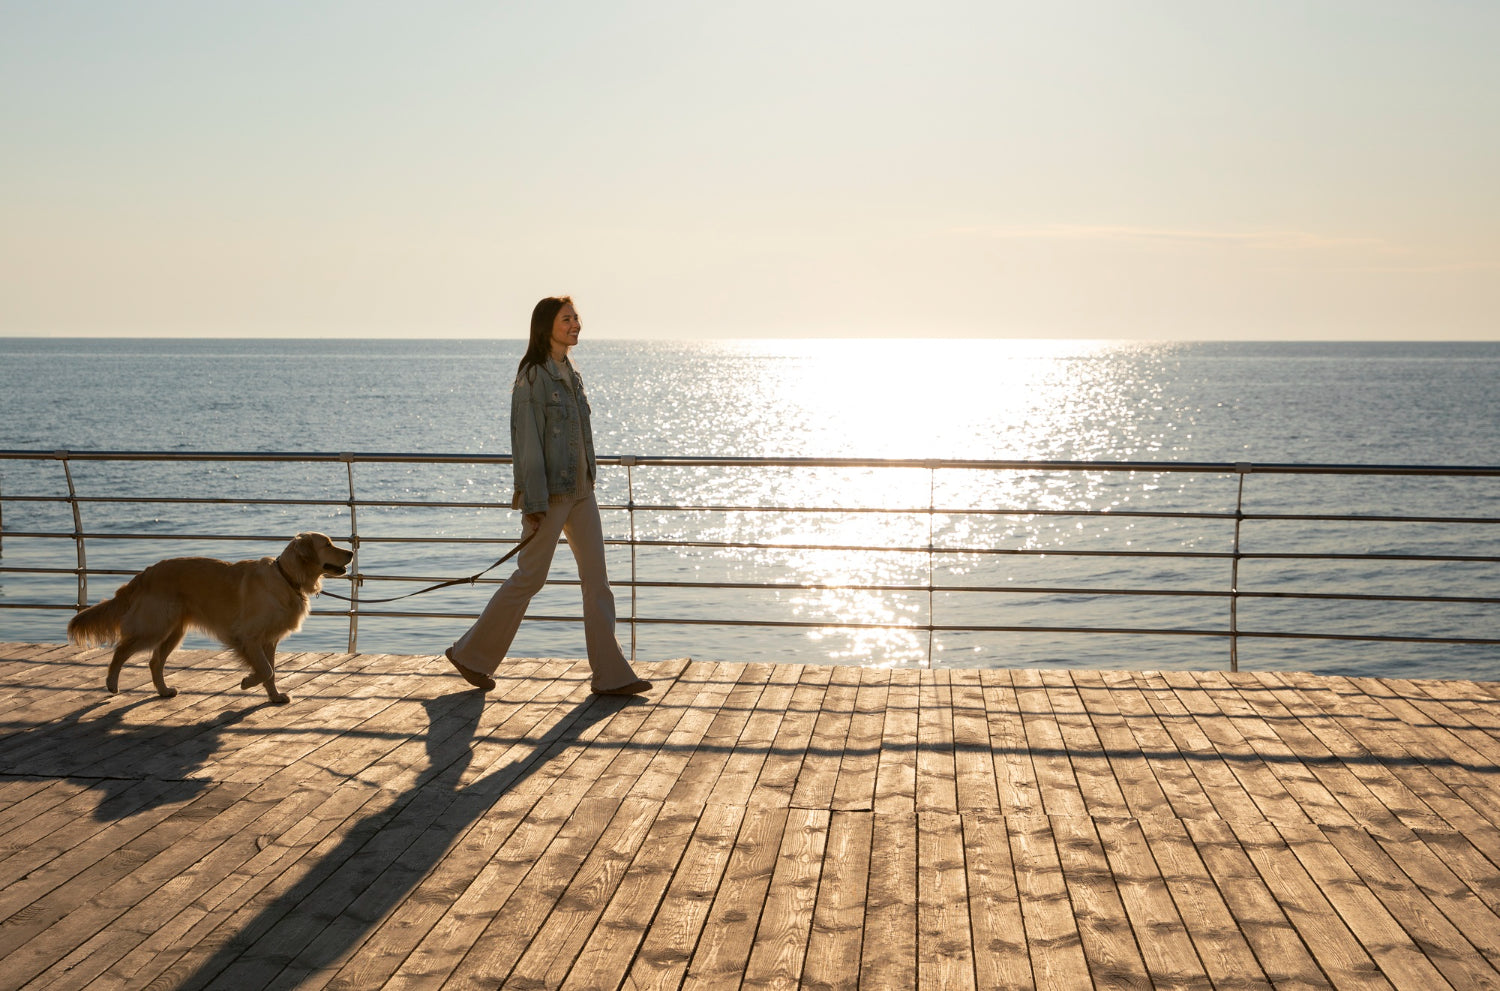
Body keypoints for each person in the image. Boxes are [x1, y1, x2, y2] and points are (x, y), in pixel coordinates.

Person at [443, 296, 651, 696]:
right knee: (529, 579)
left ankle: (611, 676)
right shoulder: (533, 378)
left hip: (581, 492)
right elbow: (527, 447)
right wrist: (533, 505)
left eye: (576, 318)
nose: (576, 324)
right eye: (567, 319)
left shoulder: (571, 374)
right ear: (546, 326)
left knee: (598, 582)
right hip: (549, 498)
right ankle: (471, 656)